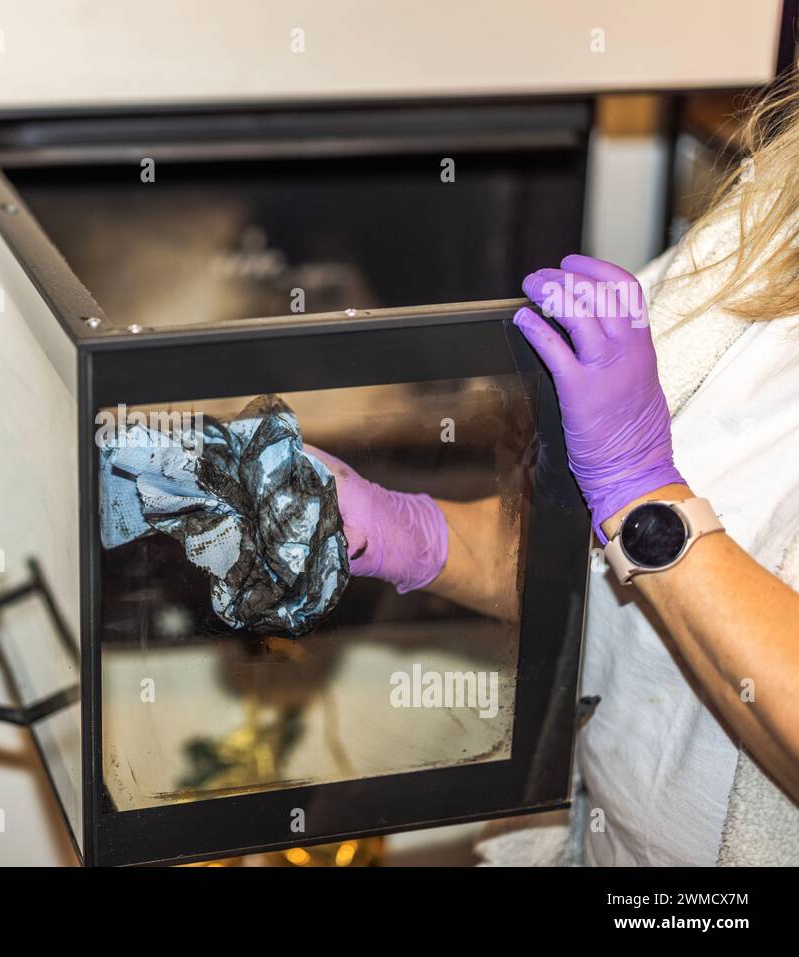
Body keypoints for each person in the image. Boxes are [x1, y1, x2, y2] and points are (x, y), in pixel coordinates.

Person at [312, 81, 799, 865]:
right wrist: (409, 531)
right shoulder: (767, 221)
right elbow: (593, 572)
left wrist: (646, 494)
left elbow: (636, 514)